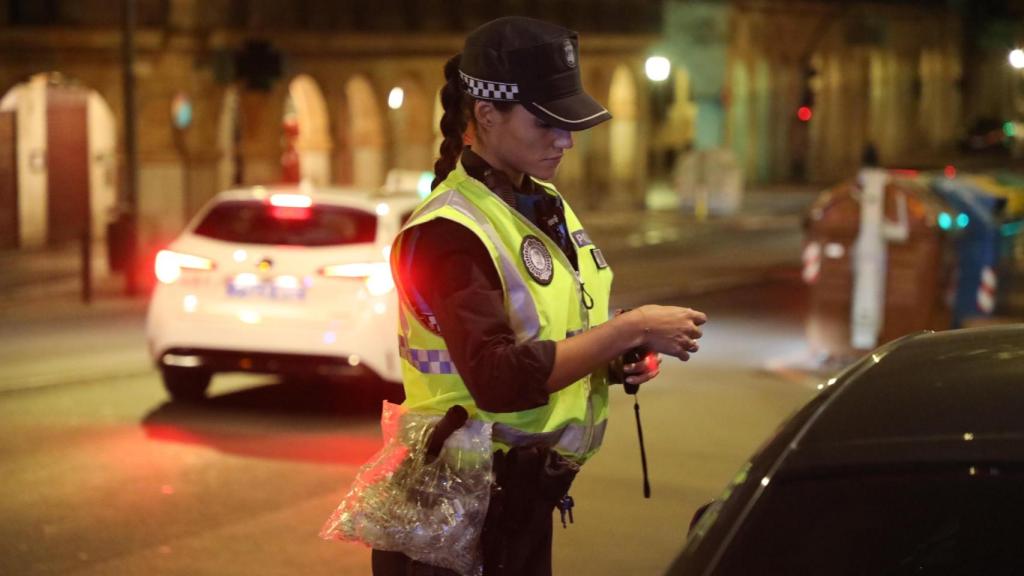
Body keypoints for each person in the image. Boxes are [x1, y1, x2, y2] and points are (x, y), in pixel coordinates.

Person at [376, 16, 707, 576]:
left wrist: (613, 353)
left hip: (516, 505)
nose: (566, 139)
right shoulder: (449, 231)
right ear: (486, 114)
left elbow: (549, 331)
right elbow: (498, 378)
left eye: (570, 123)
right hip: (452, 523)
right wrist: (629, 328)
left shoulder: (539, 202)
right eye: (548, 123)